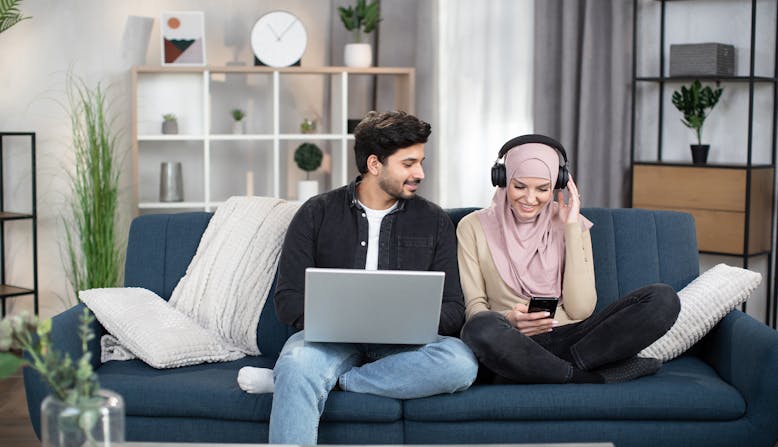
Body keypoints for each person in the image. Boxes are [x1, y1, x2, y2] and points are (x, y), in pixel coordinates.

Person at [238, 110, 478, 445]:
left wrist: (407, 321)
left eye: (421, 162)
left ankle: (336, 380)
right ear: (374, 164)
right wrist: (336, 321)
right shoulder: (316, 213)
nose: (420, 173)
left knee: (460, 364)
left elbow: (453, 307)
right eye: (408, 164)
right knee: (296, 362)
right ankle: (303, 376)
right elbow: (288, 299)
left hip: (406, 346)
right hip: (329, 341)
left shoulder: (434, 220)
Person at [457, 134, 680, 384]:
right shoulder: (472, 227)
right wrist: (510, 319)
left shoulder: (573, 225)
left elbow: (581, 309)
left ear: (557, 184)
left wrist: (571, 229)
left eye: (542, 189)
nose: (530, 199)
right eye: (519, 186)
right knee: (479, 329)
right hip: (513, 341)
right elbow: (475, 307)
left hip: (575, 338)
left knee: (663, 299)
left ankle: (542, 371)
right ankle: (589, 377)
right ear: (502, 179)